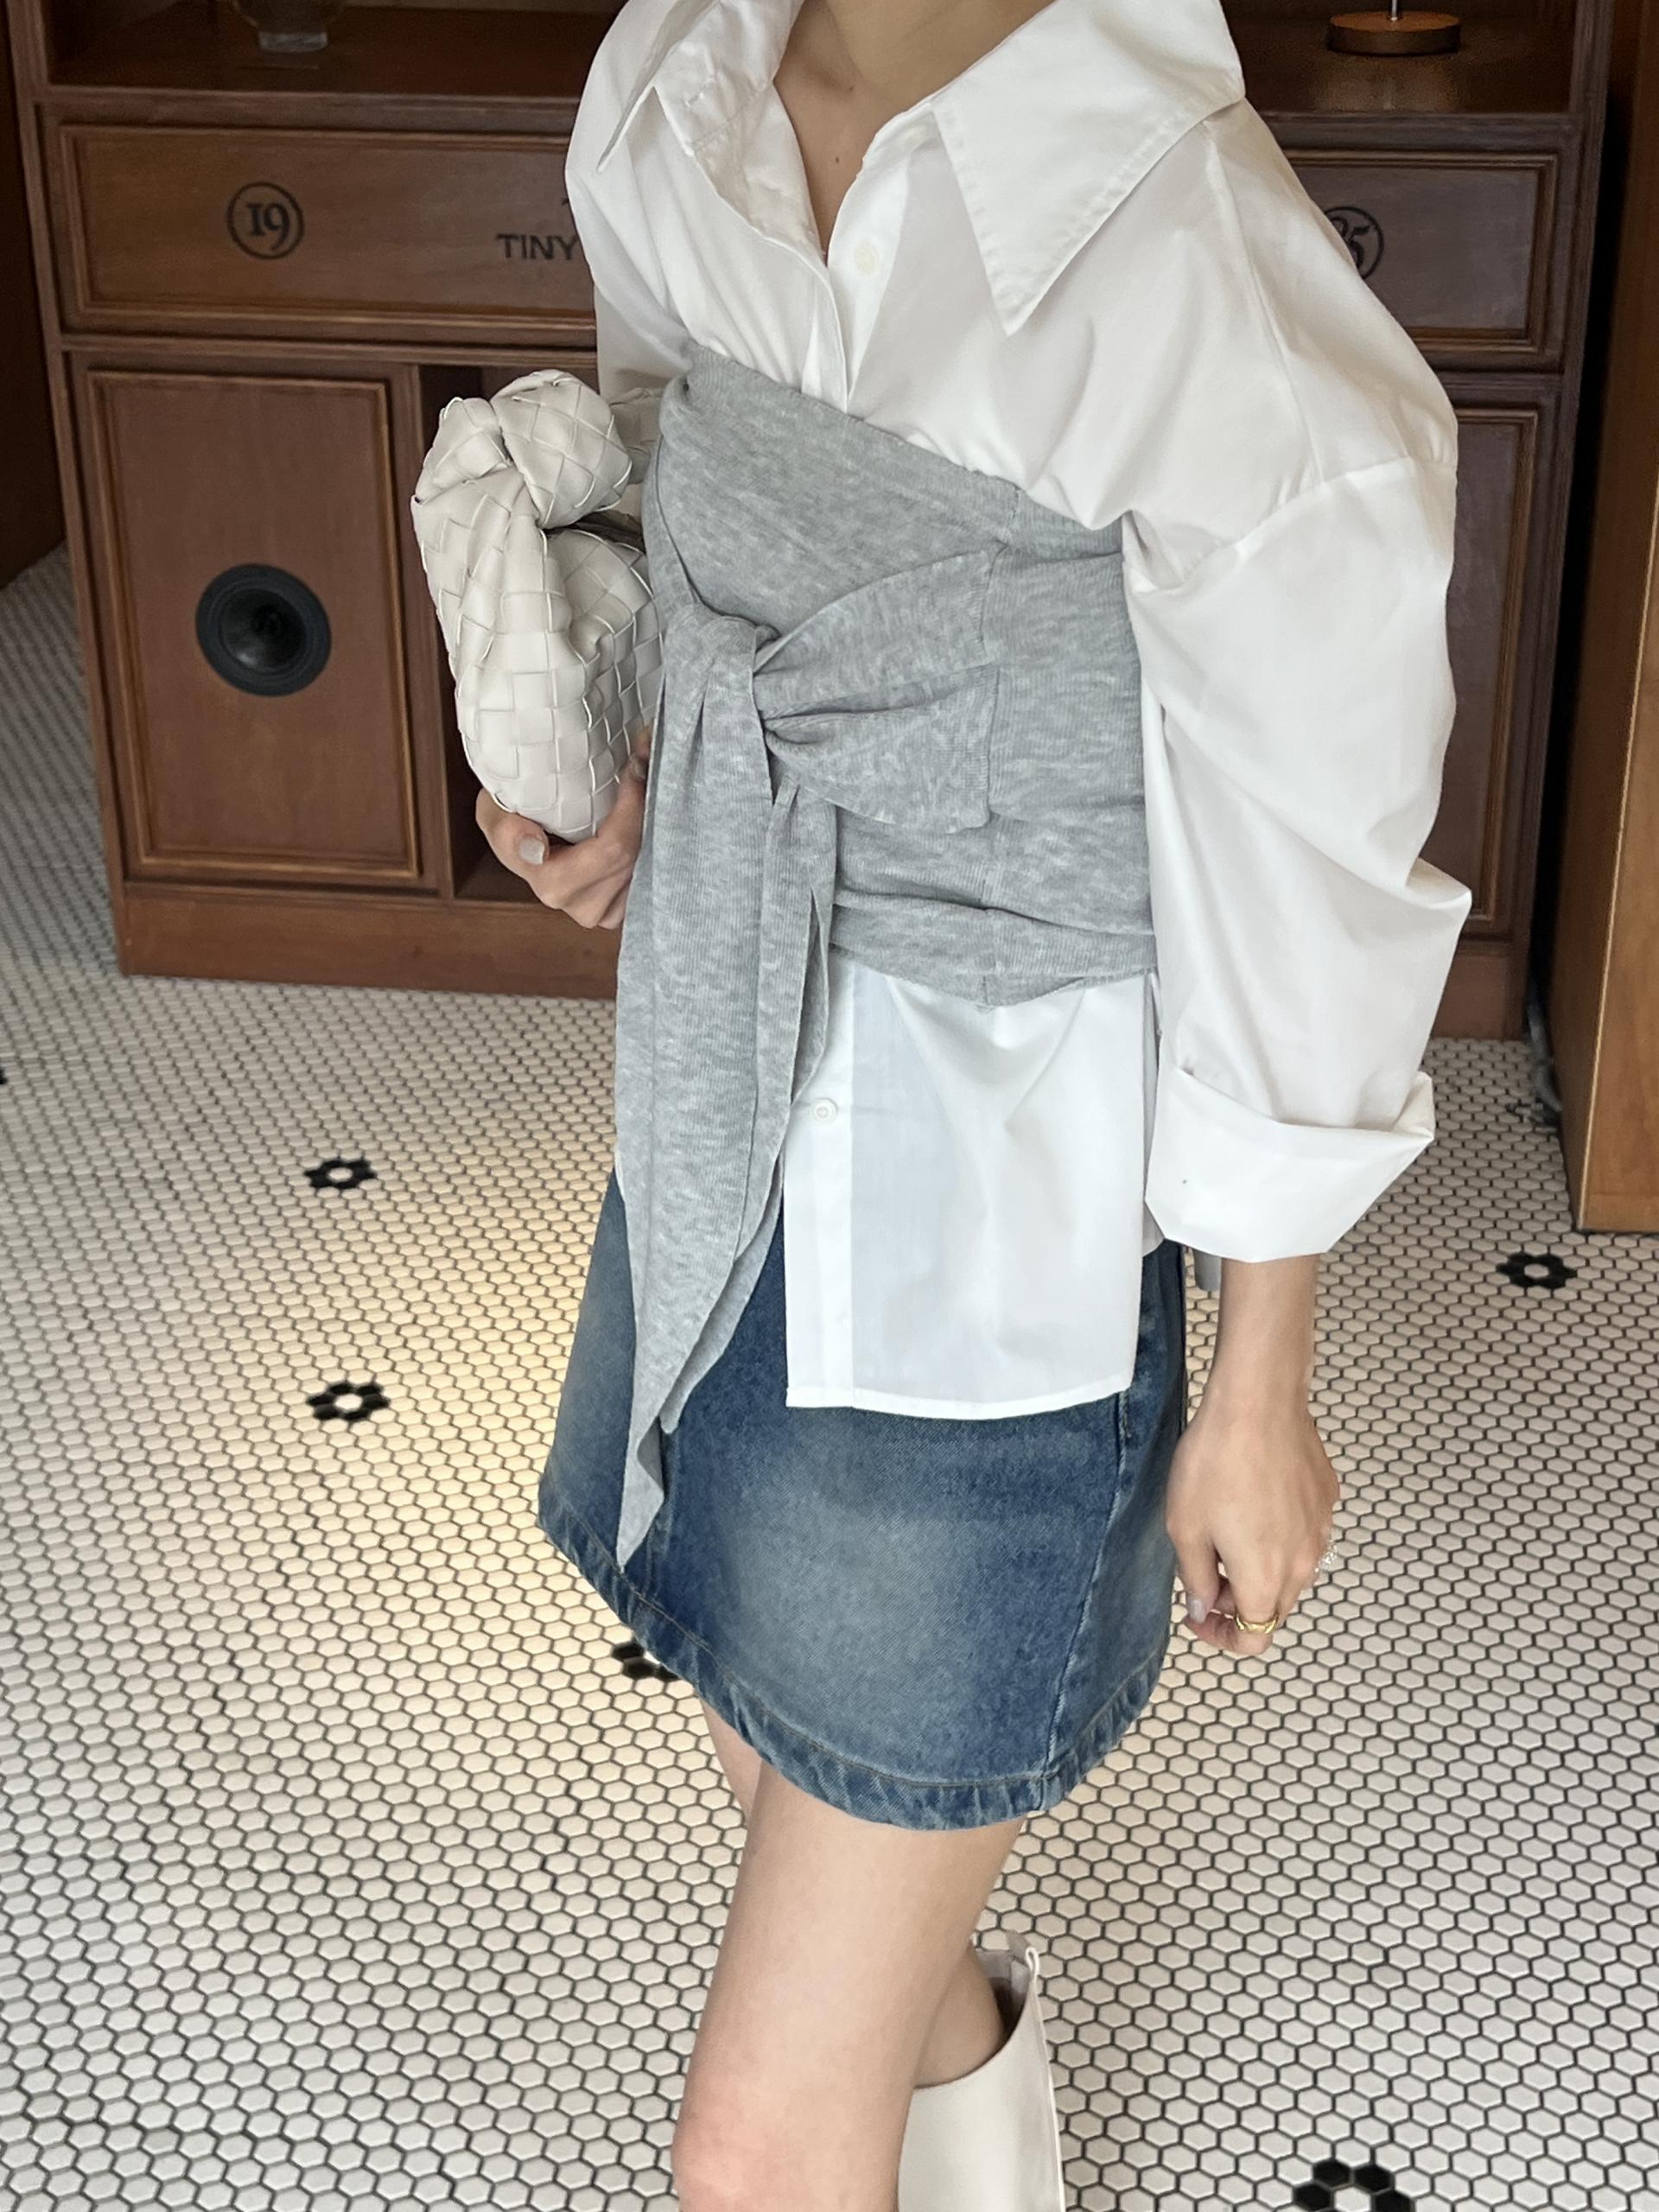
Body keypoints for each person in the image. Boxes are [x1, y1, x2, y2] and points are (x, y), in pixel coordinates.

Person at [474, 3, 1472, 2207]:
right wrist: (635, 755)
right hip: (728, 1066)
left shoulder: (1189, 248)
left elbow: (1303, 852)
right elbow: (670, 467)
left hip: (992, 1200)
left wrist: (1261, 1377)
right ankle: (986, 2126)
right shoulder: (680, 75)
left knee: (752, 2139)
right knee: (771, 1725)